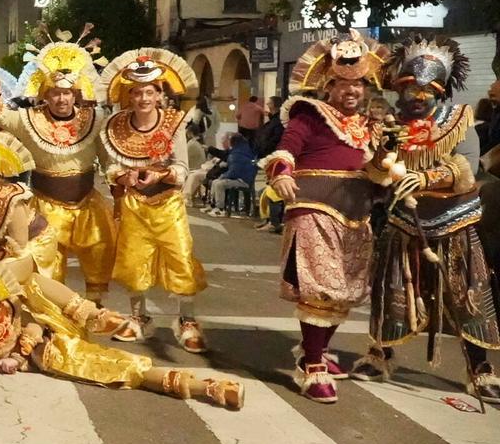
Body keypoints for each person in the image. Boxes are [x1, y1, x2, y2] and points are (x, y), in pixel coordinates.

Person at [350, 36, 499, 404]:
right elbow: (375, 174)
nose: (416, 97)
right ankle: (380, 353)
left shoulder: (459, 120)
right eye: (409, 88)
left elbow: (465, 168)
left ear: (441, 90)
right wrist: (382, 154)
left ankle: (480, 368)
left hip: (455, 221)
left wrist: (427, 178)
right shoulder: (390, 124)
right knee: (390, 290)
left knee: (469, 296)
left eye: (425, 90)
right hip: (403, 221)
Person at [0, 254, 244, 410]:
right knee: (114, 365)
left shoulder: (5, 306)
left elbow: (32, 319)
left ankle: (98, 316)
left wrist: (16, 353)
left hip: (49, 331)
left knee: (35, 284)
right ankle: (204, 386)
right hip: (53, 353)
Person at [260, 31, 391, 403]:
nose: (351, 90)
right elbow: (285, 150)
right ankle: (314, 366)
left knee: (343, 294)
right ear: (327, 85)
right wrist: (281, 173)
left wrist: (388, 168)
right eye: (342, 83)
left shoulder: (371, 126)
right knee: (321, 288)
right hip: (314, 210)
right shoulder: (310, 115)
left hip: (356, 216)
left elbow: (376, 175)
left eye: (359, 84)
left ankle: (311, 351)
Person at [0, 130, 126, 334]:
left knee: (7, 277)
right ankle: (87, 313)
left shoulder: (12, 199)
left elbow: (18, 245)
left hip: (32, 244)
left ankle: (83, 314)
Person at [0, 39, 117, 301]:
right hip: (46, 206)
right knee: (48, 268)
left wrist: (121, 190)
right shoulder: (29, 120)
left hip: (88, 205)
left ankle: (94, 310)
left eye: (67, 92)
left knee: (100, 254)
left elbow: (108, 160)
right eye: (54, 92)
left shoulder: (94, 120)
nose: (61, 98)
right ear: (44, 93)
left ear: (76, 93)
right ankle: (52, 319)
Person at [96, 48, 209, 352]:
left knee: (181, 260)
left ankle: (187, 320)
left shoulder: (173, 124)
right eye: (137, 92)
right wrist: (123, 177)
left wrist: (160, 176)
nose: (144, 98)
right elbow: (110, 167)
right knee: (134, 262)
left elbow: (183, 168)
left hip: (168, 202)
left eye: (150, 91)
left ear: (160, 94)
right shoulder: (116, 127)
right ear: (129, 96)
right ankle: (138, 317)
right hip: (133, 203)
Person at [205, 133, 257, 217]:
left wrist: (224, 176)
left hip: (243, 180)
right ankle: (213, 206)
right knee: (215, 182)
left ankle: (220, 209)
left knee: (219, 184)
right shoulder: (241, 150)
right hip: (242, 178)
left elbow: (234, 171)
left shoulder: (237, 154)